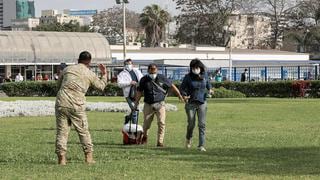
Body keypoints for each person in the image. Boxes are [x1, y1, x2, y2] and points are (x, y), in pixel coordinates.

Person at [55, 51, 108, 165]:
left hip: (62, 102)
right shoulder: (89, 73)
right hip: (77, 105)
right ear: (89, 62)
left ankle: (62, 158)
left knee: (62, 131)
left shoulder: (67, 69)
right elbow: (101, 87)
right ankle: (88, 157)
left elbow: (58, 85)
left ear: (78, 60)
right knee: (83, 131)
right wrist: (104, 74)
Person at [135, 63, 185, 147]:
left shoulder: (162, 77)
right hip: (148, 104)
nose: (153, 71)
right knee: (146, 124)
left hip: (160, 103)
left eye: (154, 69)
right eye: (151, 69)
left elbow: (172, 86)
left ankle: (160, 142)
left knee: (161, 123)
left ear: (157, 70)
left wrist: (179, 95)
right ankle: (145, 136)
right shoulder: (144, 79)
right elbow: (139, 91)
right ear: (148, 70)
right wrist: (136, 102)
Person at [180, 59, 212, 152]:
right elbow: (182, 88)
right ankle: (188, 138)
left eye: (197, 67)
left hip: (202, 103)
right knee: (191, 124)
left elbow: (209, 86)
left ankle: (201, 145)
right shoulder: (187, 77)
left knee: (202, 124)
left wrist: (210, 90)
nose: (195, 69)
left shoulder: (205, 76)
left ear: (200, 68)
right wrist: (184, 95)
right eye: (193, 68)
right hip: (190, 103)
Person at [117, 59, 143, 124]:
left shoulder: (137, 71)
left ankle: (128, 117)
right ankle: (135, 126)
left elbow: (142, 80)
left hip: (137, 93)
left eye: (129, 64)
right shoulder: (121, 74)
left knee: (135, 109)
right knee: (134, 110)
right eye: (126, 64)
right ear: (124, 65)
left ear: (132, 64)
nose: (128, 65)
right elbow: (119, 84)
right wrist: (129, 83)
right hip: (128, 94)